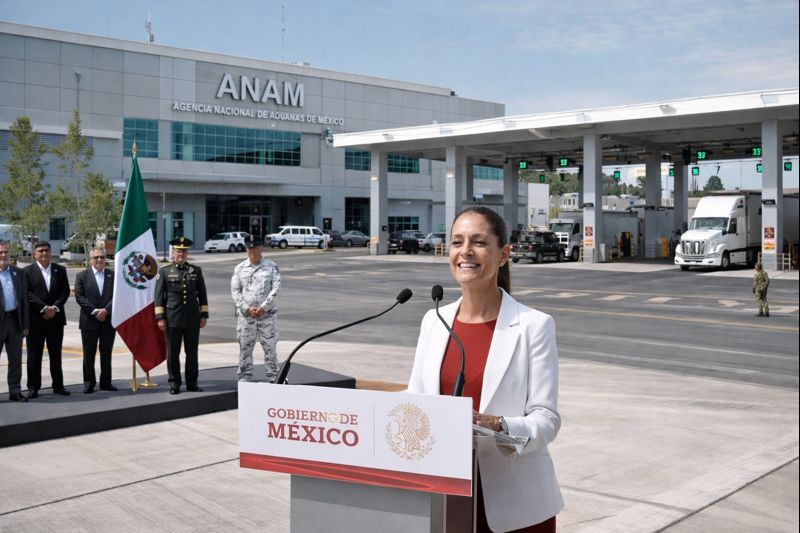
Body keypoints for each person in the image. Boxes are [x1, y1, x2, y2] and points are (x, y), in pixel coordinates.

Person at [407, 206, 562, 532]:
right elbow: (415, 402)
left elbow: (546, 420)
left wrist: (498, 424)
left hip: (517, 506)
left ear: (503, 254)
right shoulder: (434, 322)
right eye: (456, 242)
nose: (465, 252)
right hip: (445, 497)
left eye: (478, 242)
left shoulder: (534, 325)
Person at [154, 237, 209, 394]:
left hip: (192, 318)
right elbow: (158, 297)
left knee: (192, 353)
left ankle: (192, 383)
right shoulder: (165, 271)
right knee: (173, 353)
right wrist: (160, 318)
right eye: (179, 251)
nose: (181, 254)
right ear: (173, 252)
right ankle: (174, 383)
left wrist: (204, 314)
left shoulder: (195, 271)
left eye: (184, 251)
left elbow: (202, 294)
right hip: (172, 319)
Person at [230, 235, 281, 382]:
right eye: (249, 248)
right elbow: (235, 291)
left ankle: (274, 377)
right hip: (246, 318)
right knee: (245, 349)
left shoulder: (272, 267)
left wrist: (264, 308)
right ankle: (245, 377)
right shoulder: (239, 268)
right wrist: (246, 308)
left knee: (270, 349)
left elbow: (276, 290)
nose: (252, 251)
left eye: (255, 247)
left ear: (261, 248)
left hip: (267, 316)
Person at [25, 240, 71, 397]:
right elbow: (27, 294)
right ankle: (33, 387)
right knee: (34, 356)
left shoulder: (60, 270)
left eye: (47, 250)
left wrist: (54, 308)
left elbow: (64, 292)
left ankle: (58, 385)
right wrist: (44, 308)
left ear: (51, 252)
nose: (44, 253)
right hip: (36, 321)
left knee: (56, 354)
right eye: (41, 251)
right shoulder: (27, 272)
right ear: (35, 254)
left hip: (56, 320)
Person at [74, 247, 117, 393]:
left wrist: (106, 310)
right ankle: (89, 383)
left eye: (102, 257)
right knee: (89, 355)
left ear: (106, 259)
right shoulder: (81, 276)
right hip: (89, 322)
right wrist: (94, 311)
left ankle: (106, 382)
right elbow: (80, 297)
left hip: (108, 320)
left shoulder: (113, 275)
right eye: (96, 257)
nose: (99, 260)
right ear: (90, 259)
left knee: (106, 354)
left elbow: (117, 296)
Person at [0, 242, 30, 402]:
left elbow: (24, 300)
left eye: (5, 252)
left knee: (15, 359)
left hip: (15, 321)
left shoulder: (18, 273)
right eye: (0, 253)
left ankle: (15, 390)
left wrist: (25, 324)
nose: (3, 256)